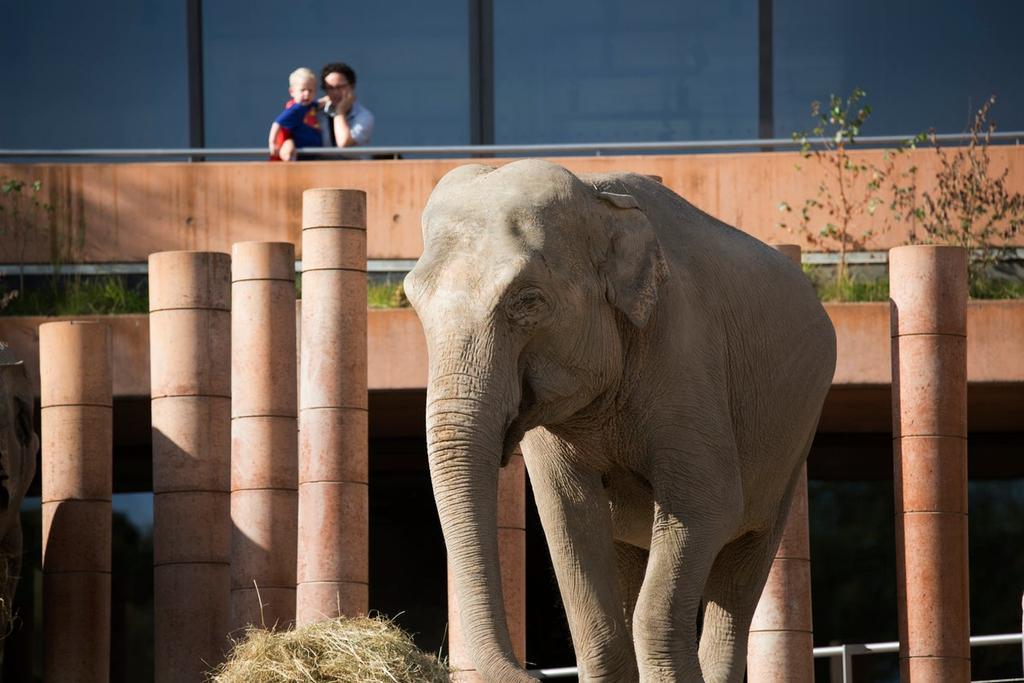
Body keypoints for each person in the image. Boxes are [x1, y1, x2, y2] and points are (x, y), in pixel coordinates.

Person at [268, 67, 323, 162]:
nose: (307, 94)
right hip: (300, 152)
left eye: (310, 90)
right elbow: (277, 123)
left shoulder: (311, 105)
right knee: (289, 149)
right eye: (302, 90)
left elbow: (321, 102)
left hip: (313, 153)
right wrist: (272, 143)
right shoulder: (294, 109)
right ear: (292, 92)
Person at [319, 62, 374, 149]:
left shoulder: (364, 116)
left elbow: (343, 143)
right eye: (330, 88)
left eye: (340, 87)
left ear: (352, 86)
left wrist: (340, 111)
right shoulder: (317, 111)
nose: (335, 92)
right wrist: (311, 105)